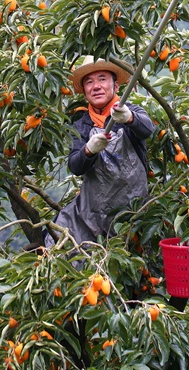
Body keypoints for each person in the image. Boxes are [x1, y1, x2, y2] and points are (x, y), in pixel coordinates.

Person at [44, 56, 155, 248]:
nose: (96, 86)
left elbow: (148, 129)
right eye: (89, 82)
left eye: (102, 79)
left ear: (116, 86)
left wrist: (129, 118)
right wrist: (88, 150)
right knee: (58, 241)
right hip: (92, 213)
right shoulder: (81, 125)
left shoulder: (131, 110)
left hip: (131, 210)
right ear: (85, 92)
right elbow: (75, 166)